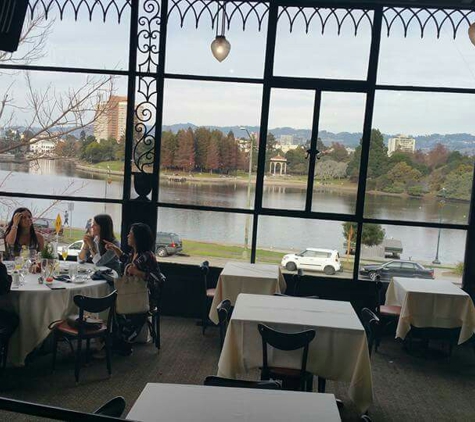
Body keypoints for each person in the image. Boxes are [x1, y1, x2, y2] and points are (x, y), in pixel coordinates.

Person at [104, 223, 163, 355]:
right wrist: (114, 249)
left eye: (130, 233)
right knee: (113, 301)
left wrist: (139, 273)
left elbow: (158, 279)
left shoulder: (148, 256)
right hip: (134, 293)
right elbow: (126, 261)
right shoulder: (135, 253)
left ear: (137, 238)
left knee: (119, 304)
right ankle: (120, 340)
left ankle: (125, 342)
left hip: (146, 297)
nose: (128, 235)